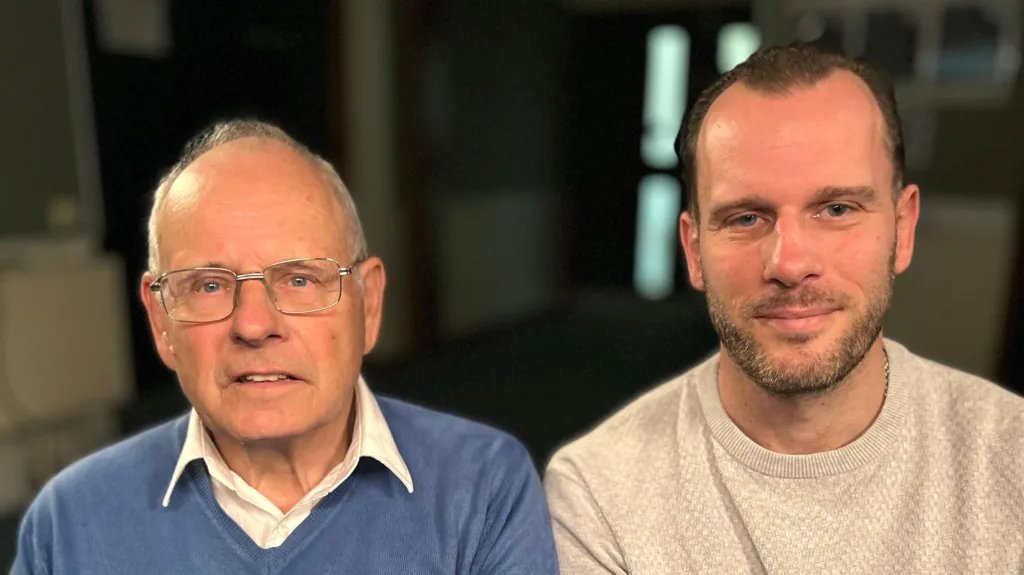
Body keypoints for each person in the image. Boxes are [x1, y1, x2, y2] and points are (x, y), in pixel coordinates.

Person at [544, 43, 1024, 573]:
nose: (790, 264)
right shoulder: (596, 492)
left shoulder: (1011, 456)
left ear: (903, 229)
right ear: (694, 250)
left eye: (837, 209)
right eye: (746, 218)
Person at [14, 120, 558, 574]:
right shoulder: (68, 522)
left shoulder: (483, 486)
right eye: (208, 284)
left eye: (300, 279)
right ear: (160, 321)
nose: (254, 325)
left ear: (367, 306)